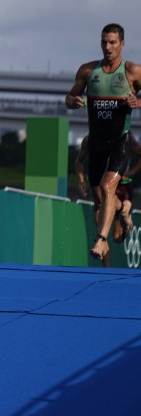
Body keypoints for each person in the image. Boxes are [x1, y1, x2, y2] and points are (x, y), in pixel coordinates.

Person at [66, 23, 141, 261]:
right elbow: (69, 97)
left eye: (112, 42)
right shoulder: (88, 71)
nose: (107, 47)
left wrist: (138, 103)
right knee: (100, 198)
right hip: (96, 143)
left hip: (120, 141)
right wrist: (73, 101)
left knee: (108, 188)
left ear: (122, 44)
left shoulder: (132, 71)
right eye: (104, 42)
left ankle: (100, 240)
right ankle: (124, 208)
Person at [74, 132, 141, 265]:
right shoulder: (89, 140)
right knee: (100, 232)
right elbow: (79, 160)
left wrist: (131, 172)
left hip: (121, 186)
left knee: (117, 237)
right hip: (100, 189)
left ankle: (123, 210)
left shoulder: (126, 137)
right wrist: (81, 180)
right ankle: (107, 270)